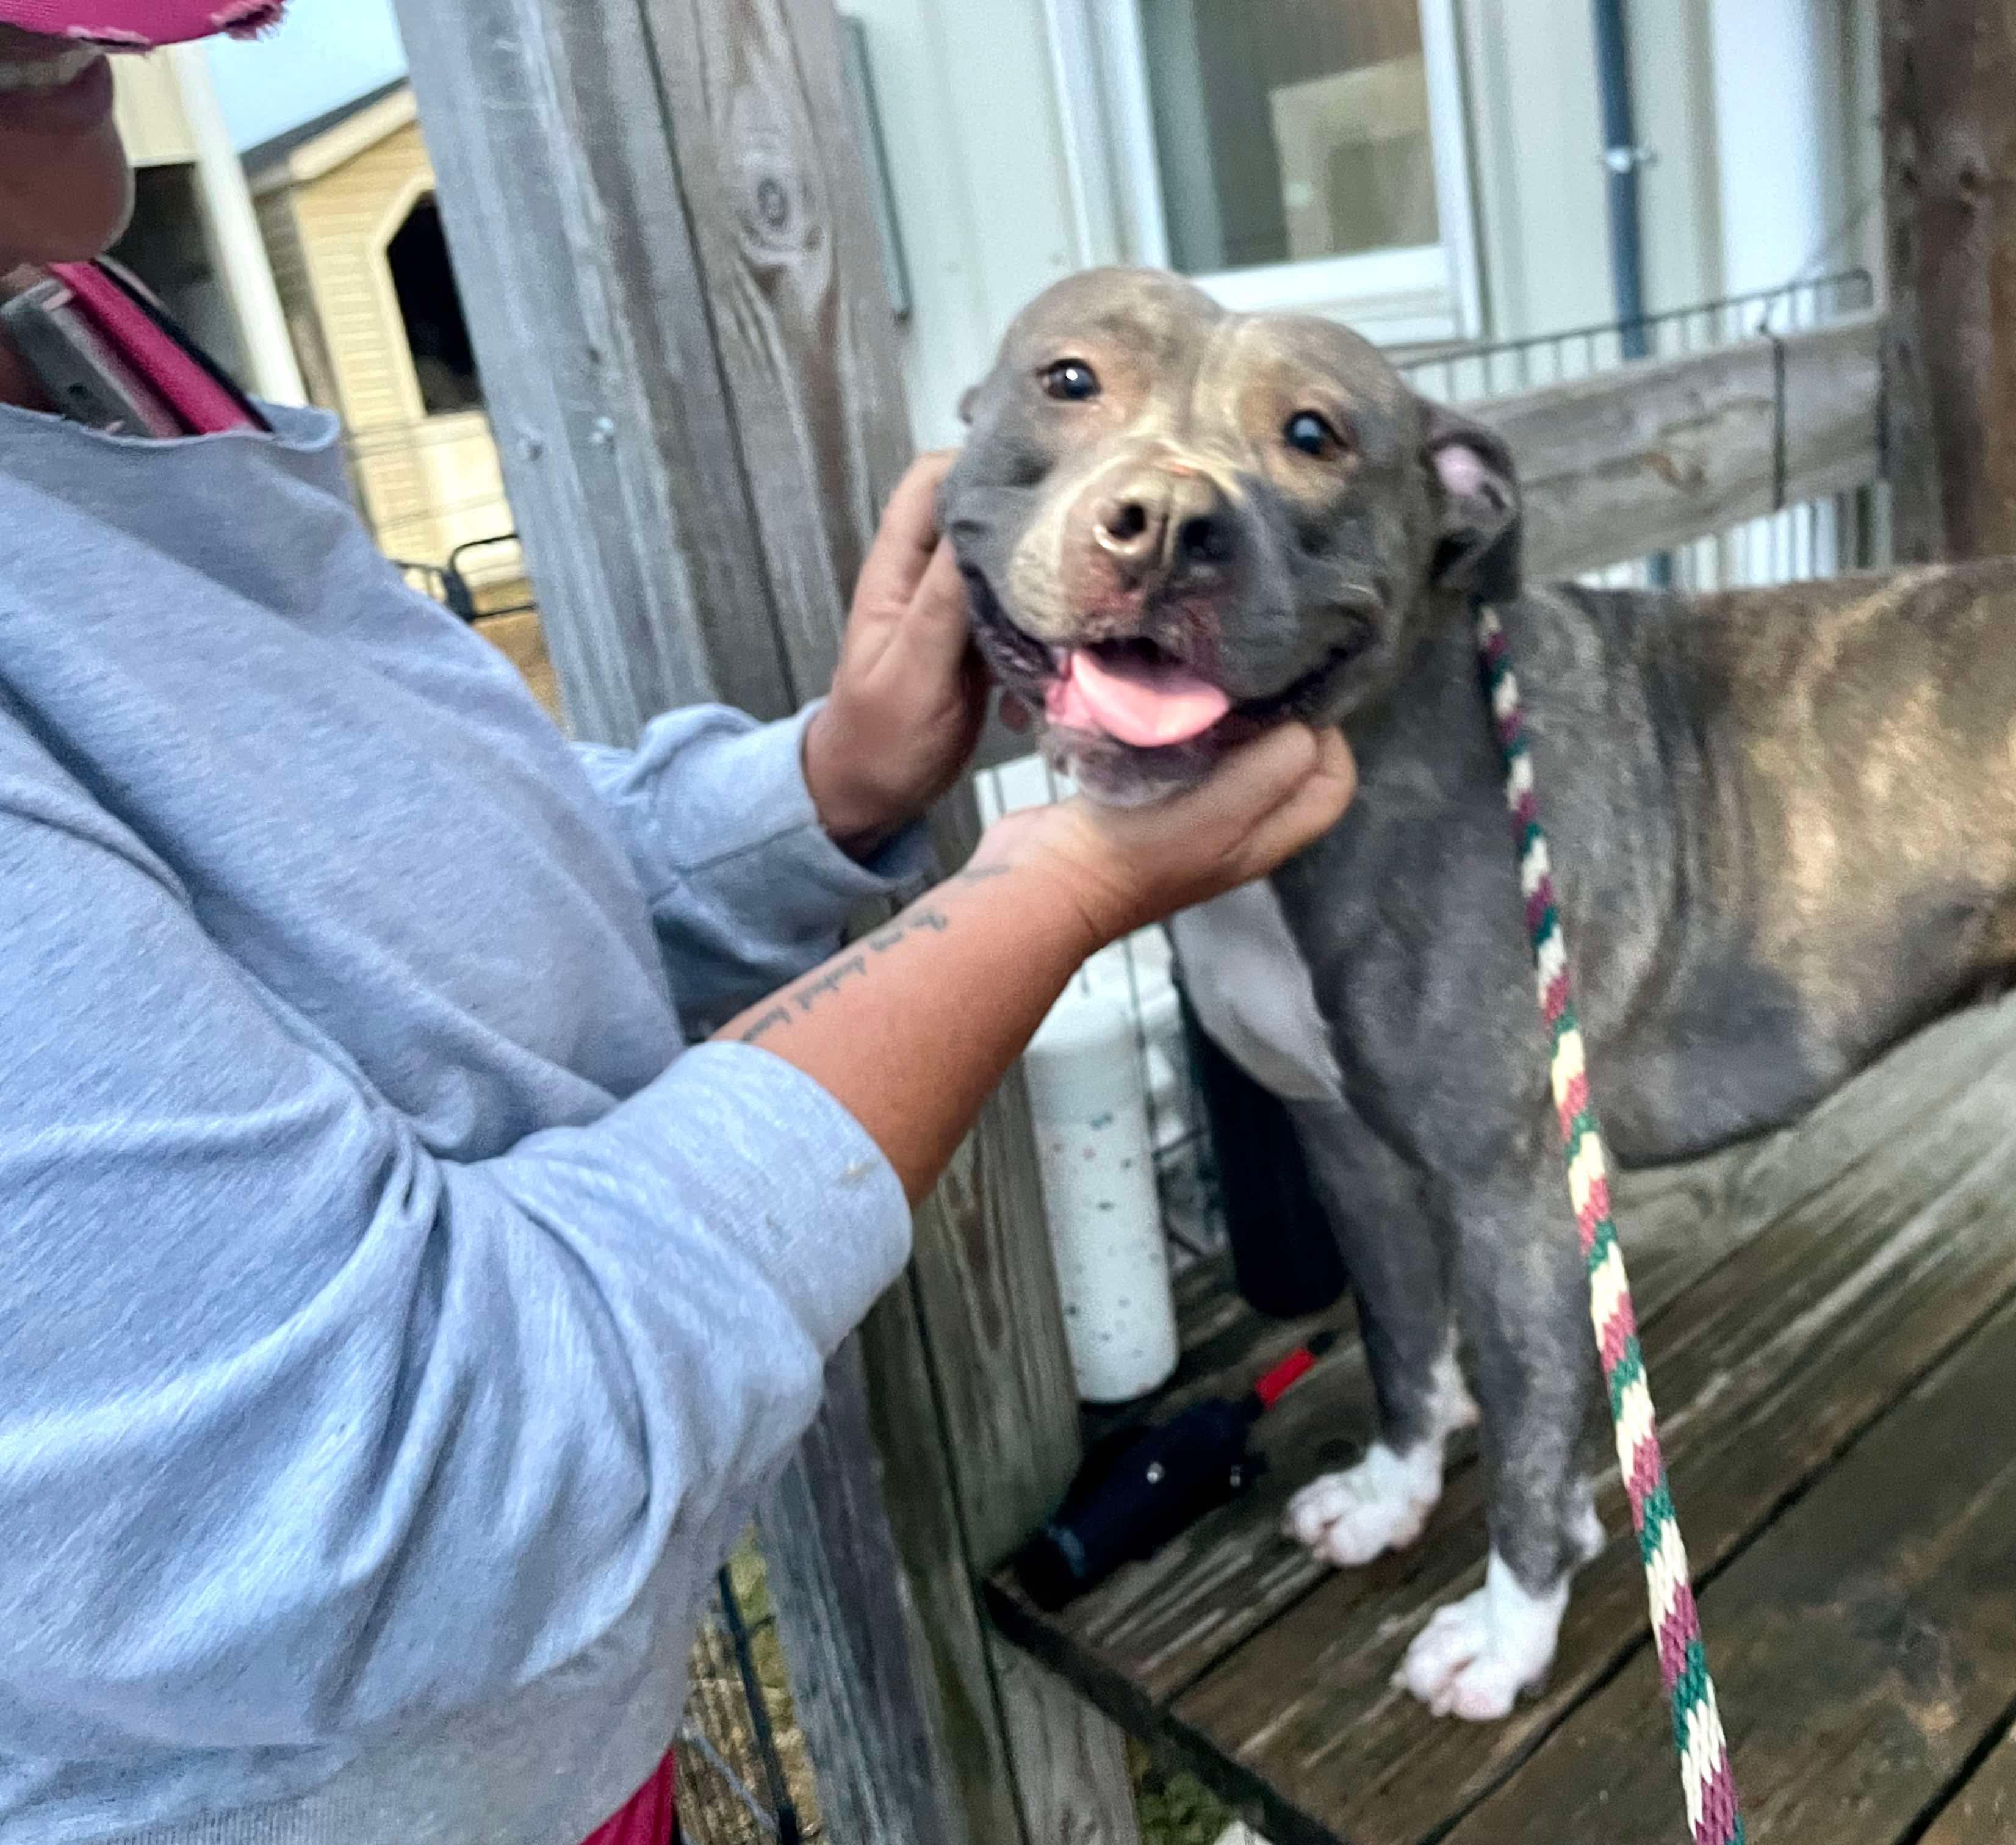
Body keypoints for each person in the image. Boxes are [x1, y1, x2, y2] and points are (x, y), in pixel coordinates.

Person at [0, 8, 1356, 1843]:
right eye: (1071, 389)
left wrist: (823, 792)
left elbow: (383, 922)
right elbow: (387, 1484)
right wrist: (1051, 892)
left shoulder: (71, 324)